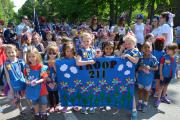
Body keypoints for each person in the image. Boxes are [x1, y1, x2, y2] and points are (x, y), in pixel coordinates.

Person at [24, 46, 48, 120]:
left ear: (37, 56)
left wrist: (37, 82)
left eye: (33, 56)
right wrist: (26, 81)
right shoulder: (27, 67)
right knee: (35, 102)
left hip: (41, 88)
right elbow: (25, 77)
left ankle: (44, 113)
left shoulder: (41, 66)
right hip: (32, 89)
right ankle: (37, 114)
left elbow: (44, 78)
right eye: (29, 57)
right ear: (27, 58)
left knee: (44, 101)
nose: (31, 58)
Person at [121, 34, 141, 120]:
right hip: (124, 75)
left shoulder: (135, 51)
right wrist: (122, 51)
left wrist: (128, 56)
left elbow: (136, 61)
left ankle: (134, 111)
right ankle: (128, 107)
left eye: (129, 43)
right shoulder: (126, 51)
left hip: (131, 76)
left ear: (134, 43)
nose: (127, 45)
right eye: (126, 43)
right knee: (125, 91)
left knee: (131, 93)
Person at [76, 32, 96, 114]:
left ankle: (91, 106)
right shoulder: (80, 50)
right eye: (84, 41)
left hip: (92, 74)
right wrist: (88, 62)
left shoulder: (93, 50)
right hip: (83, 73)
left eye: (88, 41)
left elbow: (96, 61)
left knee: (91, 89)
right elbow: (78, 62)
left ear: (91, 41)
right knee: (84, 89)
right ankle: (84, 106)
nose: (86, 43)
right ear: (81, 41)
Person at [4, 44, 26, 117]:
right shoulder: (6, 64)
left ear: (16, 52)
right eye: (9, 52)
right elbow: (7, 77)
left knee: (27, 96)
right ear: (6, 54)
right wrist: (11, 88)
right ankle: (21, 111)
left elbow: (25, 72)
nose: (11, 54)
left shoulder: (20, 61)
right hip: (14, 84)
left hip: (23, 82)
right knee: (17, 99)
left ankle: (32, 107)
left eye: (12, 52)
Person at [154, 43, 178, 107]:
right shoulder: (164, 57)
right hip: (164, 75)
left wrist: (177, 74)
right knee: (161, 87)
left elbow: (176, 66)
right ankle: (158, 99)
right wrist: (161, 74)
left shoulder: (176, 58)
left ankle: (163, 97)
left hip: (170, 75)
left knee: (166, 86)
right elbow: (161, 66)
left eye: (168, 50)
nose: (166, 51)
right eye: (166, 49)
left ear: (174, 50)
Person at [137, 42, 158, 113]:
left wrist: (150, 68)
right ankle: (139, 103)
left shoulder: (153, 58)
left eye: (148, 47)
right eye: (145, 47)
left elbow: (156, 68)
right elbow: (137, 67)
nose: (147, 49)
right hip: (140, 78)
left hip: (148, 80)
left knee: (146, 92)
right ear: (142, 49)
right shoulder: (140, 57)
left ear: (151, 48)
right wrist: (140, 68)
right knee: (140, 91)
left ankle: (145, 104)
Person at [44, 45, 59, 113]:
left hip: (56, 80)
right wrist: (47, 79)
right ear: (47, 53)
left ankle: (57, 105)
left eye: (54, 53)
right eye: (50, 53)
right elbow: (43, 72)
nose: (52, 55)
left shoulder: (58, 61)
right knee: (50, 93)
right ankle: (52, 106)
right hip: (49, 80)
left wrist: (54, 65)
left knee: (56, 93)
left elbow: (59, 72)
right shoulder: (45, 62)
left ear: (57, 53)